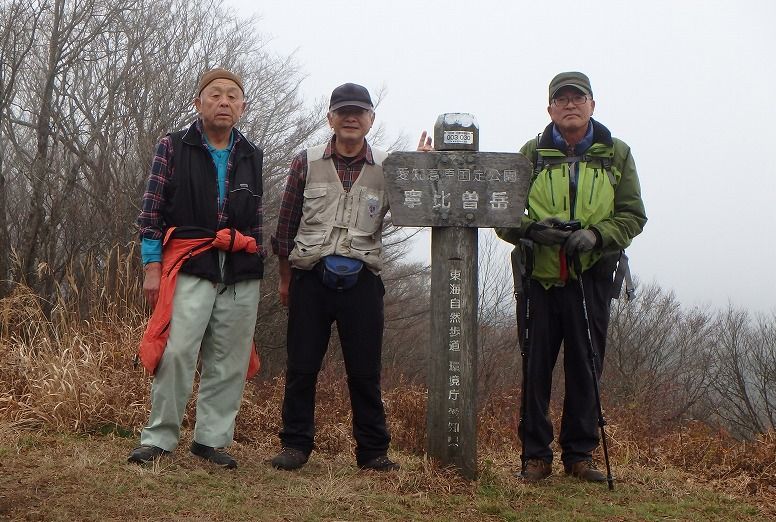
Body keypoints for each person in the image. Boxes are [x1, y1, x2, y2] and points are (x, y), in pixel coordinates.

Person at [495, 72, 647, 482]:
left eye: (578, 98)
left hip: (592, 278)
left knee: (586, 367)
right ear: (550, 109)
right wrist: (531, 229)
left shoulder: (616, 154)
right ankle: (535, 456)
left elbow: (633, 216)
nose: (570, 105)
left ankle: (579, 456)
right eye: (561, 100)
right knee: (535, 368)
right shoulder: (531, 154)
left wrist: (596, 235)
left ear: (592, 105)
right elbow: (503, 215)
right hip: (538, 280)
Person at [128, 68, 265, 469]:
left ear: (242, 107)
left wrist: (255, 261)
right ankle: (159, 437)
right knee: (178, 350)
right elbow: (150, 212)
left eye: (233, 96)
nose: (224, 101)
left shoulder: (250, 154)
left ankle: (211, 439)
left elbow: (255, 218)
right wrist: (152, 267)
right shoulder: (173, 146)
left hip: (239, 265)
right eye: (215, 94)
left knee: (230, 356)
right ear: (198, 103)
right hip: (188, 258)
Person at [269, 83, 398, 472]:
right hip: (310, 276)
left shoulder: (389, 167)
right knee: (302, 367)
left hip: (364, 281)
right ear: (330, 118)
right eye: (343, 111)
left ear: (371, 120)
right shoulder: (305, 162)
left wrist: (420, 167)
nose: (351, 118)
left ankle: (373, 452)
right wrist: (285, 279)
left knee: (365, 371)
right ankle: (295, 446)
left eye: (359, 112)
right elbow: (286, 226)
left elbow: (417, 205)